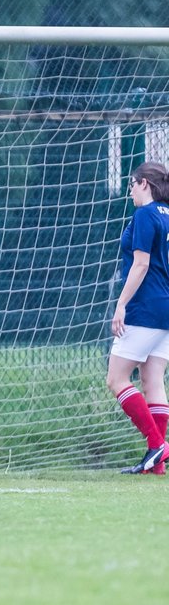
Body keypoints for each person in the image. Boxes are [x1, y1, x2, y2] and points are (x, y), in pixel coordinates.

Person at [107, 162, 169, 475]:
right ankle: (155, 466)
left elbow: (141, 264)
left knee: (116, 378)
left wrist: (121, 305)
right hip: (166, 310)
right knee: (152, 380)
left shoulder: (145, 214)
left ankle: (156, 443)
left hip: (145, 308)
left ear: (143, 183)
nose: (129, 189)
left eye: (131, 184)